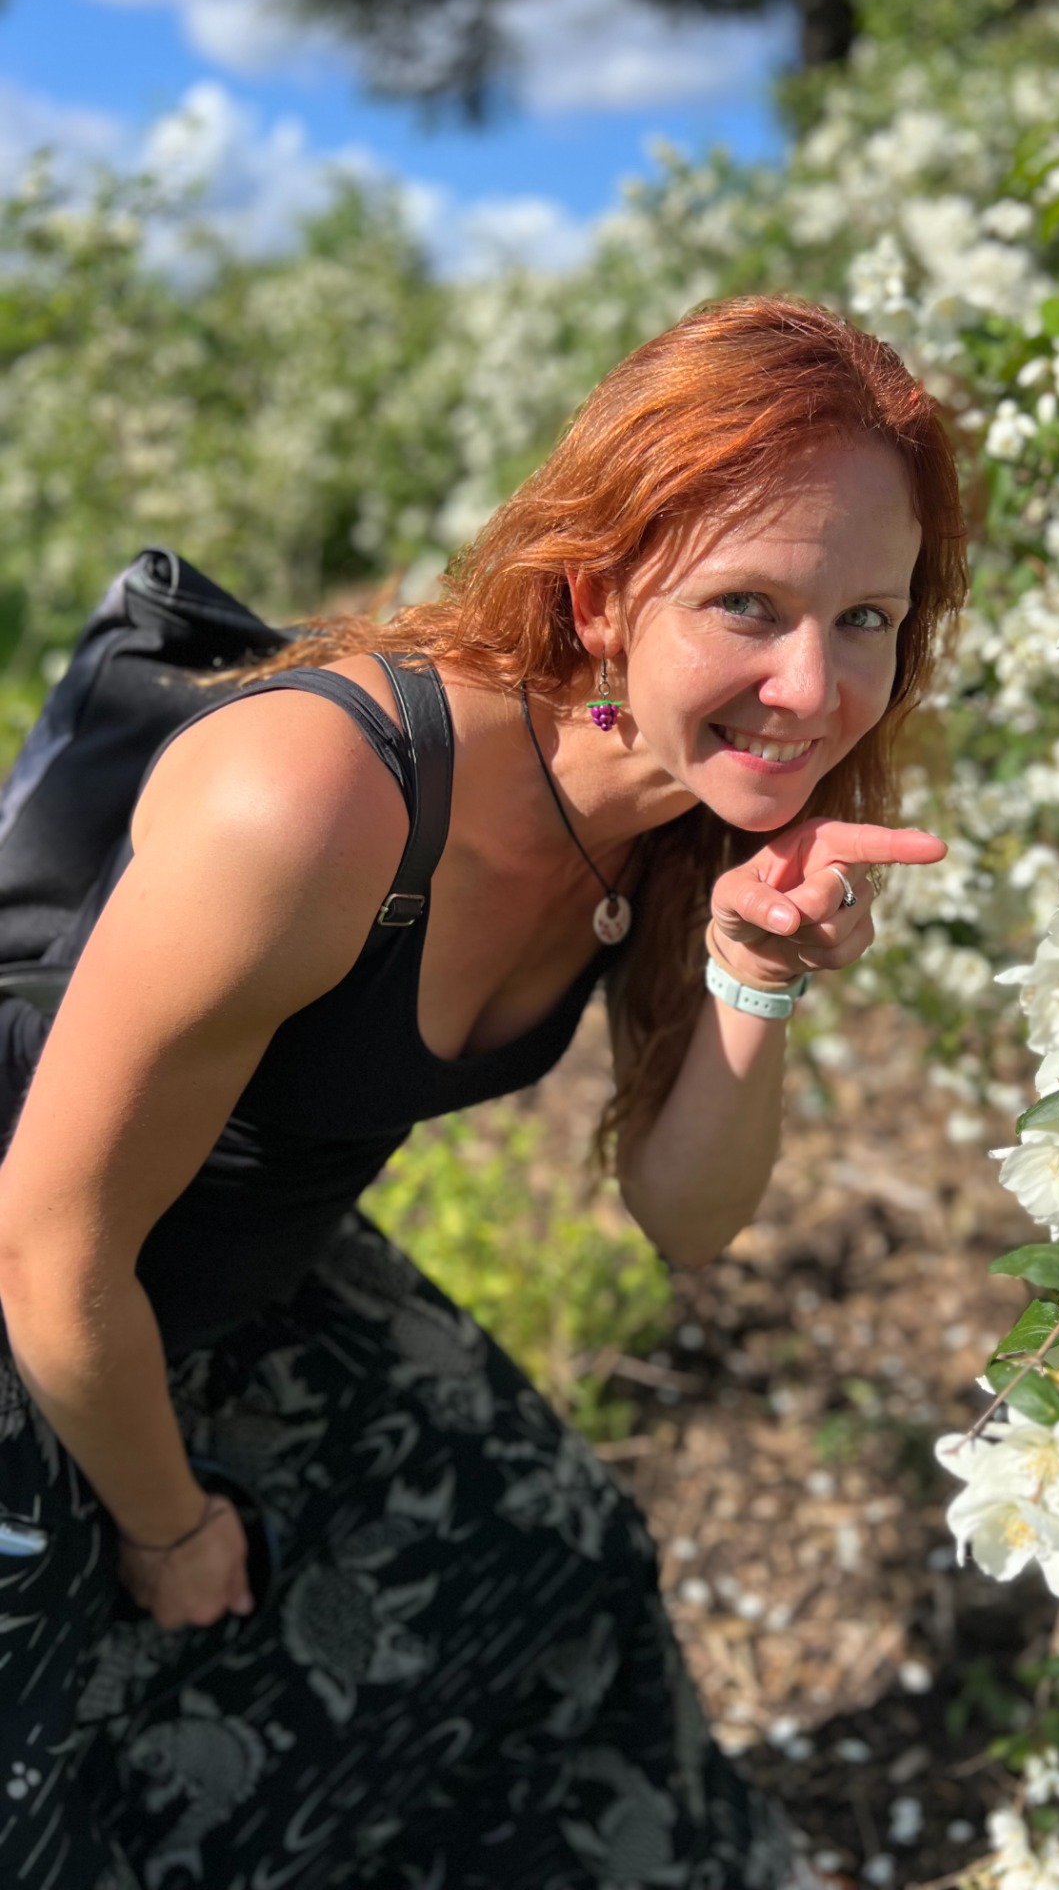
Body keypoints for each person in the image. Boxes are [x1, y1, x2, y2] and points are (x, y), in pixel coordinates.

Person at [0, 294, 966, 1888]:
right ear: (598, 598)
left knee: (552, 1578)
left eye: (867, 616)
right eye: (747, 603)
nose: (812, 685)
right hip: (46, 1291)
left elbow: (687, 1218)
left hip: (235, 1284)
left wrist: (752, 975)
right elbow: (47, 1249)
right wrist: (168, 1527)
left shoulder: (685, 815)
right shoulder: (315, 805)